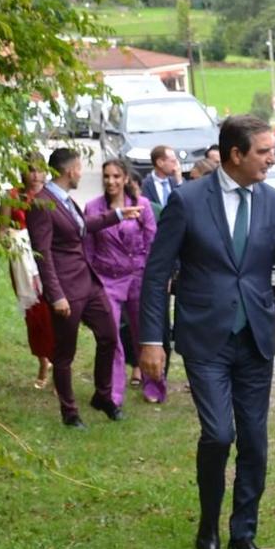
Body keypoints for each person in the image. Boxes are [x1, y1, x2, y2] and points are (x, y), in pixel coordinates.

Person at [138, 116, 275, 549]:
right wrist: (151, 339)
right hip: (205, 338)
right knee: (219, 435)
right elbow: (157, 273)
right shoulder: (187, 200)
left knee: (255, 442)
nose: (272, 159)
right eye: (263, 152)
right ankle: (208, 524)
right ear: (236, 154)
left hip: (255, 338)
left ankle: (244, 534)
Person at [28, 147, 122, 427]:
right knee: (64, 354)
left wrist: (117, 216)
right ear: (70, 171)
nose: (82, 172)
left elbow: (80, 228)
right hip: (66, 290)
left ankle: (102, 396)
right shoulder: (41, 204)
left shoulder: (66, 200)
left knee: (109, 336)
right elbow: (42, 254)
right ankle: (70, 413)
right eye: (80, 168)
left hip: (88, 282)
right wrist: (56, 296)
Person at [84, 159, 157, 410]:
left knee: (144, 333)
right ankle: (113, 394)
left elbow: (152, 242)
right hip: (106, 279)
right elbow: (88, 249)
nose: (111, 181)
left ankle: (152, 384)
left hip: (137, 275)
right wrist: (90, 282)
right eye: (106, 176)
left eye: (116, 176)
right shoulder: (93, 207)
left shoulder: (141, 204)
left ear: (125, 178)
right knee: (111, 335)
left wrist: (152, 276)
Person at [0, 160, 56, 389]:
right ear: (22, 172)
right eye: (29, 169)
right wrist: (13, 242)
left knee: (52, 311)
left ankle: (57, 359)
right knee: (33, 313)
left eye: (38, 169)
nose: (34, 175)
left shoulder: (50, 198)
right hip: (23, 265)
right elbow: (1, 232)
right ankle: (43, 360)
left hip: (46, 262)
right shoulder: (11, 196)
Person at [142, 145, 182, 211]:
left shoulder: (178, 181)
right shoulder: (145, 185)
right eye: (173, 161)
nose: (177, 165)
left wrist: (179, 181)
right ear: (160, 163)